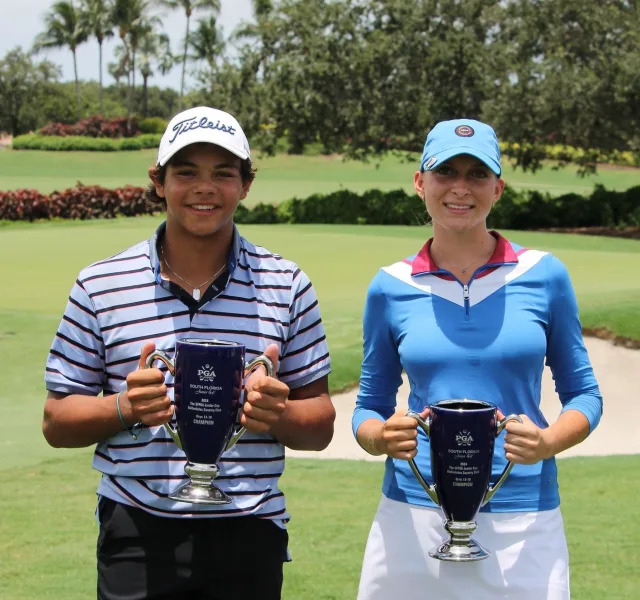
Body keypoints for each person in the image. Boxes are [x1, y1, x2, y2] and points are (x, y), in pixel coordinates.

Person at [43, 105, 335, 600]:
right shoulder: (100, 283)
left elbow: (321, 423)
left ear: (245, 185)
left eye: (223, 173)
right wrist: (124, 407)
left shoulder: (286, 284)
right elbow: (56, 420)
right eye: (186, 172)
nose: (205, 188)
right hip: (136, 527)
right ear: (159, 181)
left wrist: (275, 413)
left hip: (250, 527)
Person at [352, 118, 602, 600]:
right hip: (414, 511)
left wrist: (548, 442)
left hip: (523, 515)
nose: (460, 188)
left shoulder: (545, 276)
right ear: (420, 183)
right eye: (445, 172)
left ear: (498, 188)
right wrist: (381, 437)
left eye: (477, 174)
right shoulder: (389, 286)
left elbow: (585, 395)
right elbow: (368, 406)